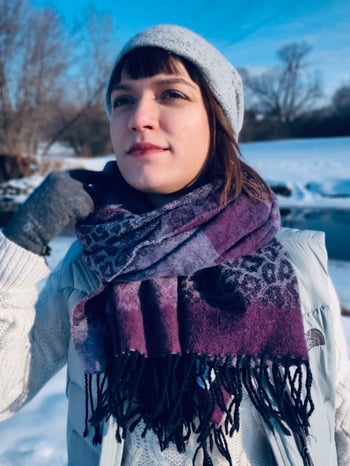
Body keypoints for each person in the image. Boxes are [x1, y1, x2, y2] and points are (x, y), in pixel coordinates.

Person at [0, 24, 349, 466]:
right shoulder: (89, 267)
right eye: (123, 99)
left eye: (171, 94)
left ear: (217, 121)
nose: (138, 117)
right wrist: (23, 240)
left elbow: (342, 420)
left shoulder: (295, 263)